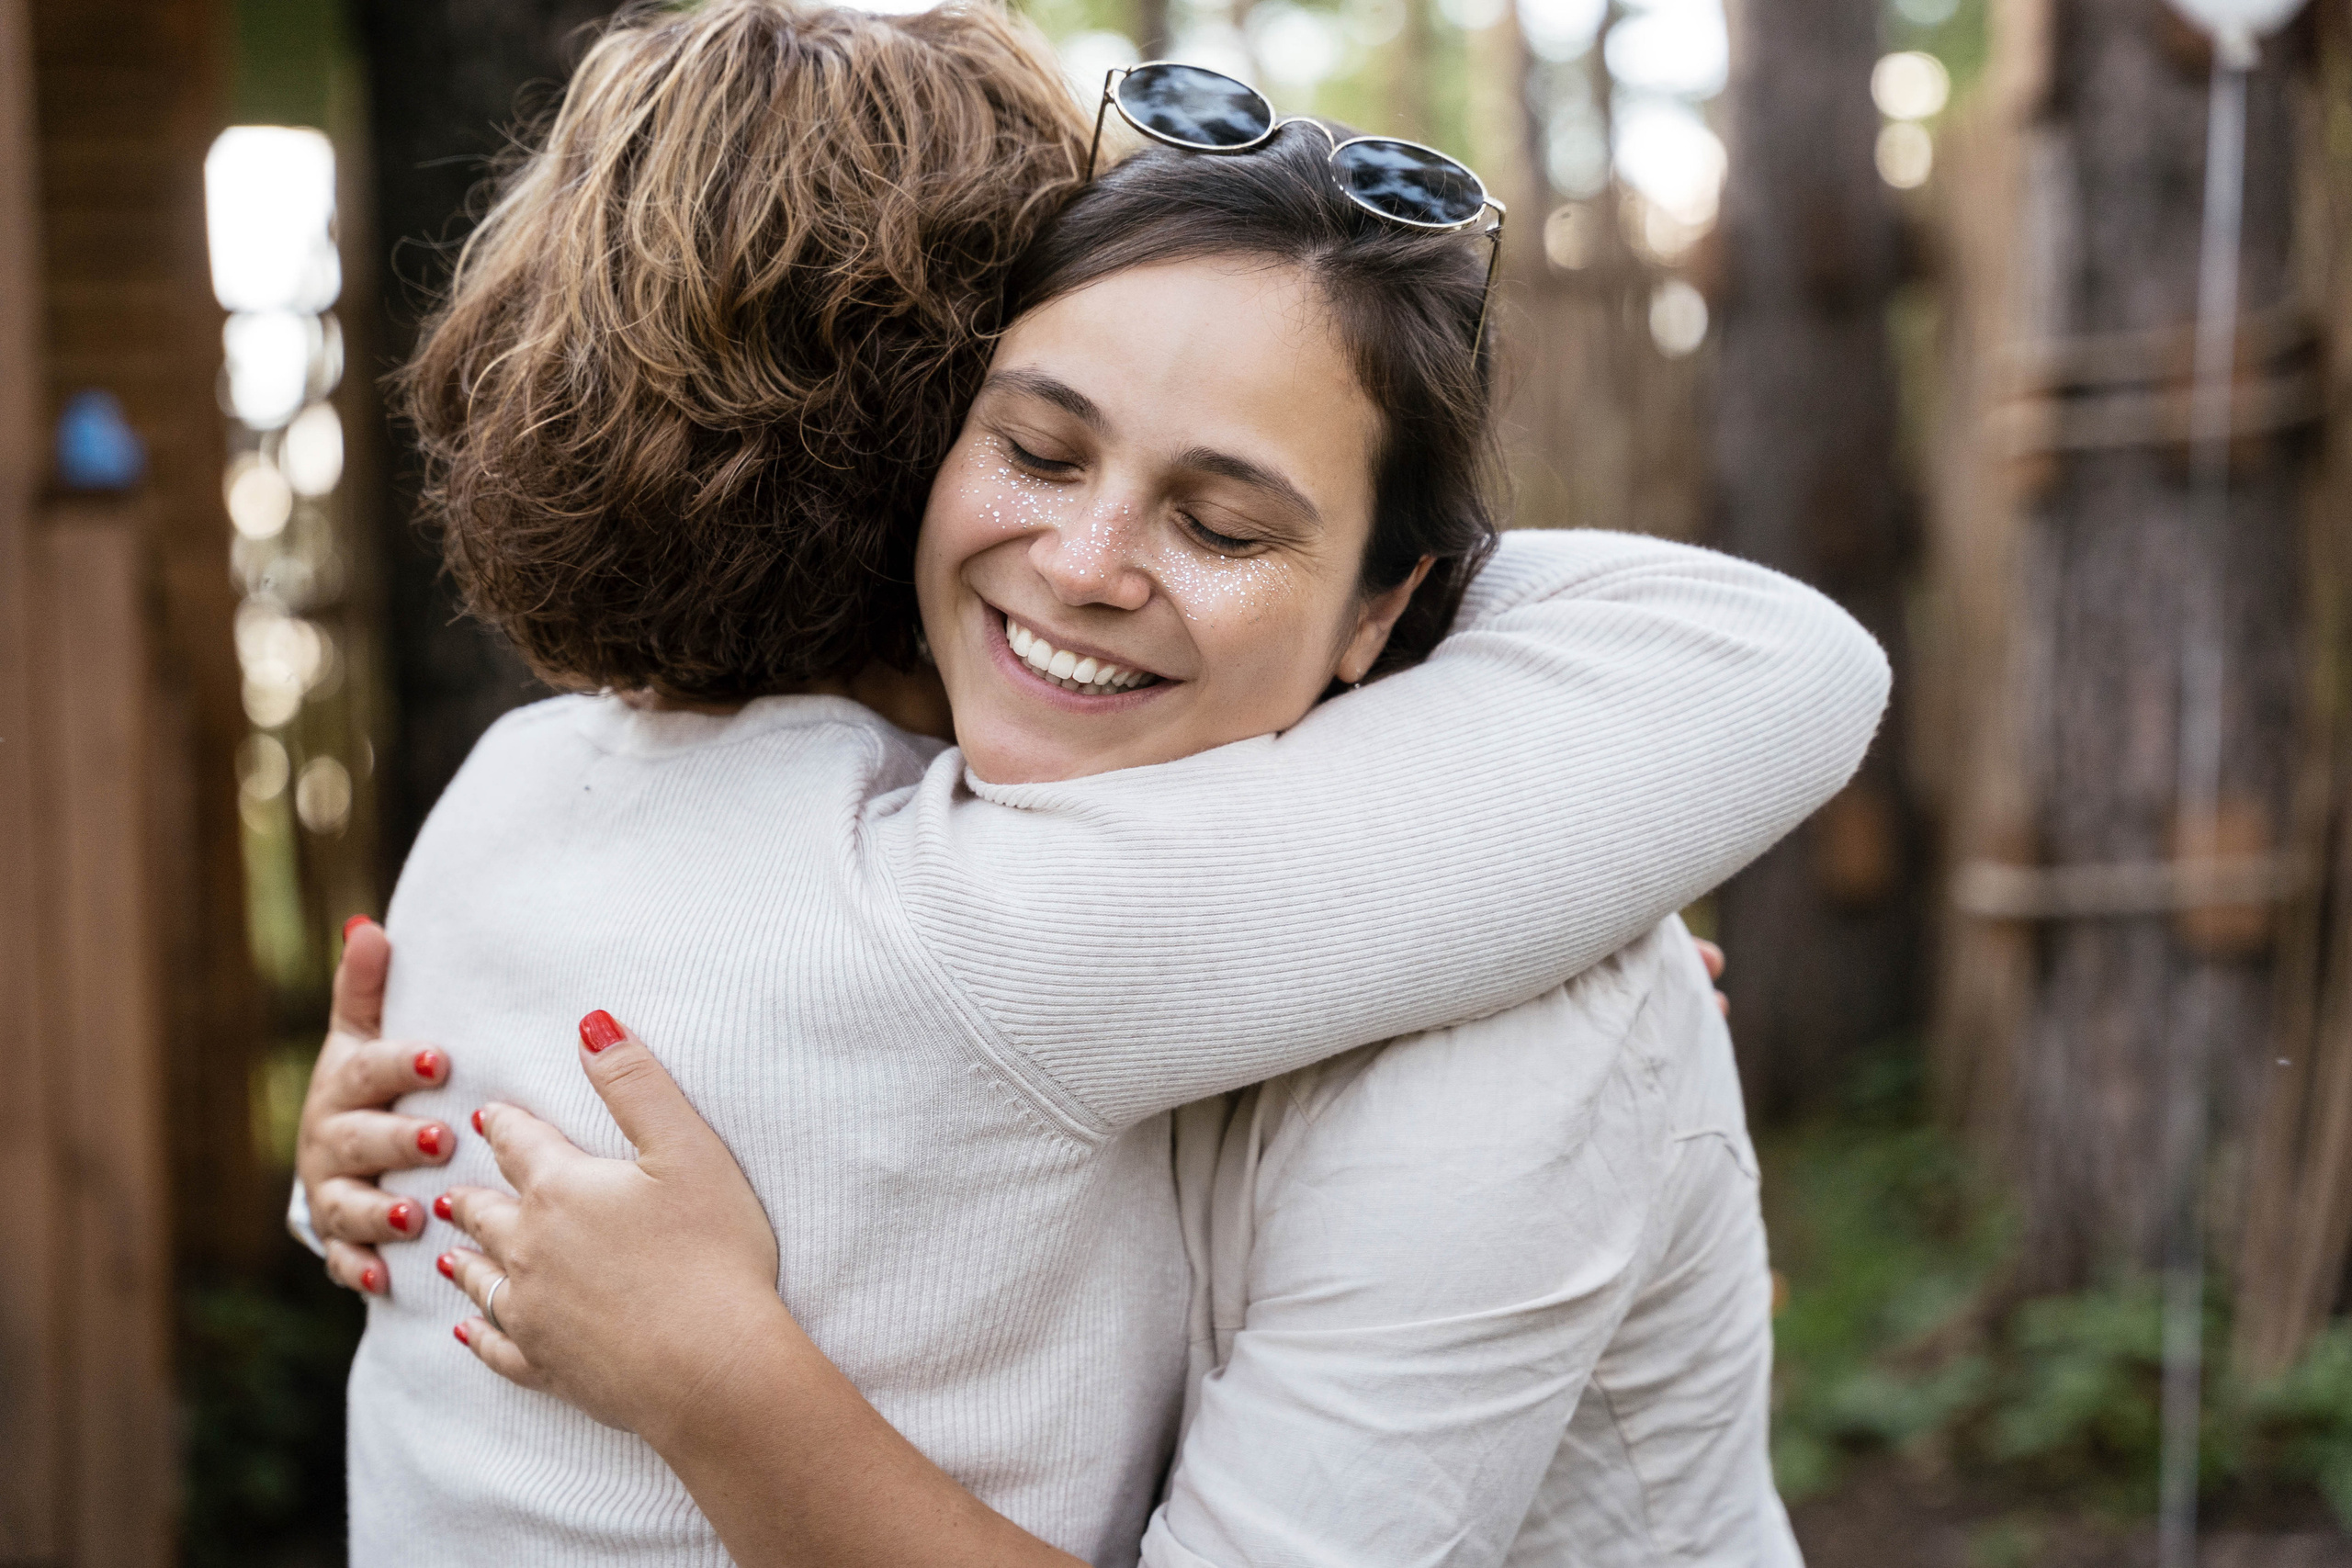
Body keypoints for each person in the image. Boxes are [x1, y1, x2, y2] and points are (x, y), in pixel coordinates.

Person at [295, 8, 1886, 1564]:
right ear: (917, 438)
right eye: (1038, 450)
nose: (1084, 562)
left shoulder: (519, 782)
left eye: (1226, 520)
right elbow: (1763, 661)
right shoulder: (981, 903)